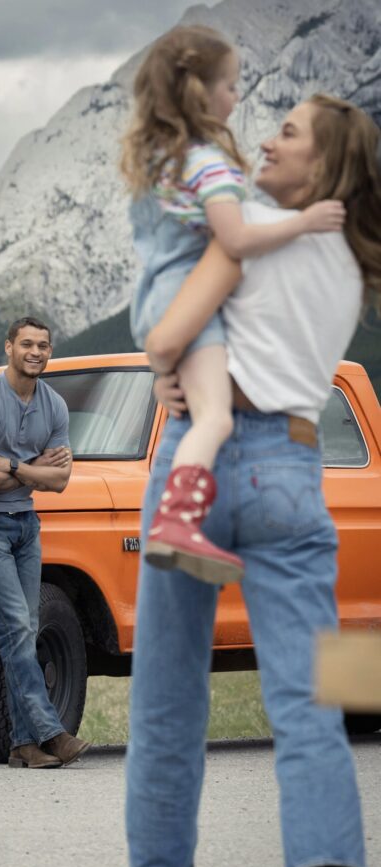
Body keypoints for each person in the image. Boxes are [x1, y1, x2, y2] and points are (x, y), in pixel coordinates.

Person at [125, 95, 381, 867]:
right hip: (293, 470)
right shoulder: (349, 263)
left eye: (290, 132)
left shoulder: (247, 230)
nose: (268, 138)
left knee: (167, 698)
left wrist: (169, 365)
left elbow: (169, 336)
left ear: (328, 162)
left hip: (195, 458)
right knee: (317, 695)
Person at [120, 25, 345, 585]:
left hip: (156, 300)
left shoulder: (159, 166)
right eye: (230, 84)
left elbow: (164, 338)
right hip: (187, 300)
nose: (237, 96)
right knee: (215, 416)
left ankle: (179, 521)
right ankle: (179, 520)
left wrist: (163, 368)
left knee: (199, 402)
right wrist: (305, 222)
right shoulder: (209, 164)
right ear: (200, 92)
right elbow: (235, 241)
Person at [0, 317, 91, 769]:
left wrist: (11, 468)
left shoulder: (55, 406)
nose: (35, 351)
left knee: (24, 629)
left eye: (43, 345)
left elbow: (62, 480)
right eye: (26, 343)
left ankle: (22, 746)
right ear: (8, 347)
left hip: (24, 525)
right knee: (15, 627)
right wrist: (31, 468)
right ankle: (51, 732)